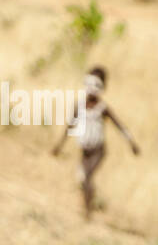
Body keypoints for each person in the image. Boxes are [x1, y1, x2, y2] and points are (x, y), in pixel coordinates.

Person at [52, 67, 140, 217]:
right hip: (84, 150)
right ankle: (88, 206)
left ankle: (88, 212)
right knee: (83, 178)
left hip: (98, 150)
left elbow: (119, 126)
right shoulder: (80, 106)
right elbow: (70, 126)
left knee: (87, 177)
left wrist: (131, 142)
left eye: (96, 85)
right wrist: (59, 145)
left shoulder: (102, 108)